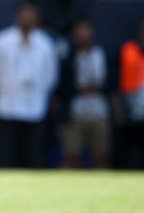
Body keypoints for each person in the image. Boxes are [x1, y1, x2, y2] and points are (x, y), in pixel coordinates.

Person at [0, 1, 58, 168]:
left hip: (34, 107)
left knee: (32, 155)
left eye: (31, 15)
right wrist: (6, 87)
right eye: (24, 15)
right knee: (3, 154)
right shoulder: (0, 41)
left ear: (37, 18)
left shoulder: (45, 44)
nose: (27, 19)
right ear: (17, 17)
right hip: (6, 106)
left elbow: (51, 76)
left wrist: (38, 92)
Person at [58, 20, 110, 168]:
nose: (83, 36)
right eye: (79, 32)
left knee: (101, 156)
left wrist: (98, 88)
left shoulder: (101, 54)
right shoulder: (68, 57)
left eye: (86, 32)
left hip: (99, 112)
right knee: (71, 156)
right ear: (74, 36)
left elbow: (112, 83)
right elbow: (61, 86)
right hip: (75, 113)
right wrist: (78, 89)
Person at [112, 20, 144, 168]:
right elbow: (115, 82)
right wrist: (118, 108)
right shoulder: (127, 50)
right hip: (130, 108)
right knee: (128, 148)